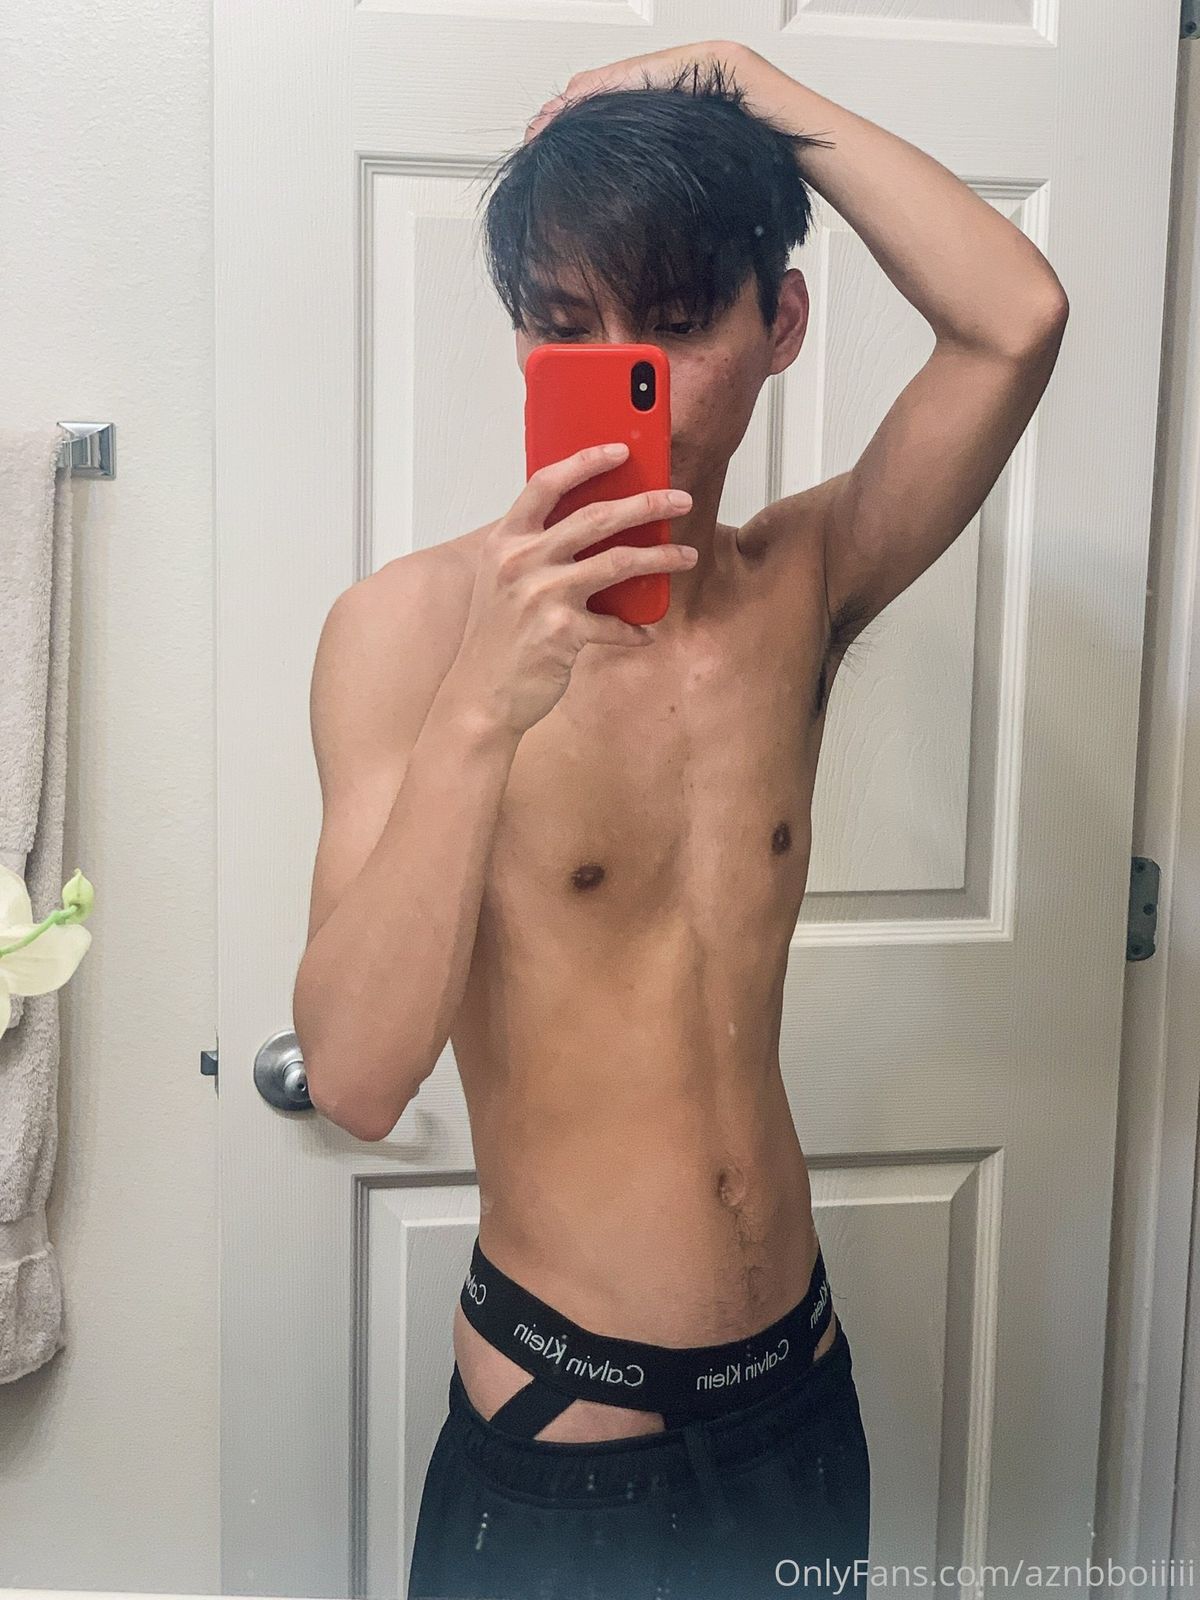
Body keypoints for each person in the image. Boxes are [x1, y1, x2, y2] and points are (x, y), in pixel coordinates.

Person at [292, 40, 1068, 1600]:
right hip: (568, 1429)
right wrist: (481, 710)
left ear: (782, 324)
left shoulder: (804, 583)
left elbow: (1015, 319)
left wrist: (745, 80)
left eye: (675, 322)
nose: (620, 373)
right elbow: (360, 1079)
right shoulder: (406, 631)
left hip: (798, 1396)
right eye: (564, 325)